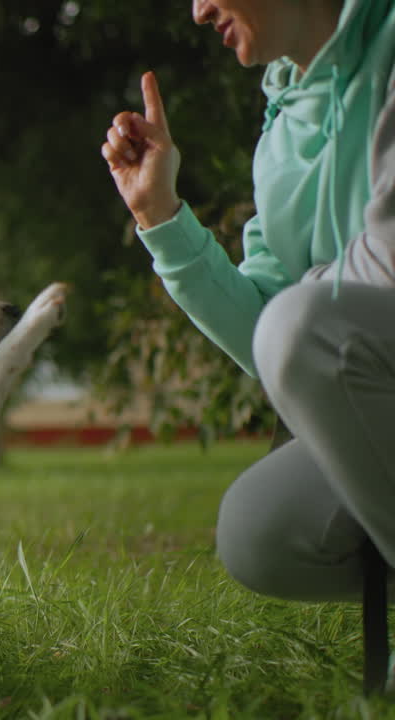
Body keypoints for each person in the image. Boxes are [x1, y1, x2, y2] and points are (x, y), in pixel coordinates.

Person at [102, 0, 395, 603]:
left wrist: (303, 310)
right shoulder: (281, 132)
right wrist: (160, 216)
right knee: (260, 528)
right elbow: (274, 338)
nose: (199, 10)